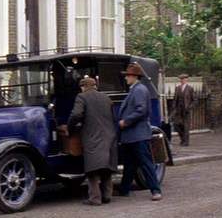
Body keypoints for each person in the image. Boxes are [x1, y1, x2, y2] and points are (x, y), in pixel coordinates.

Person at [67, 77, 118, 206]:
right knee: (106, 167)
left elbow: (76, 115)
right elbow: (113, 117)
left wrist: (70, 127)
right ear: (95, 86)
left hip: (92, 137)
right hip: (109, 135)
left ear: (83, 87)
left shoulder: (82, 97)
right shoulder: (106, 98)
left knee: (93, 169)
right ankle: (107, 195)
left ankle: (95, 198)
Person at [117, 63, 163, 201]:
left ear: (134, 76)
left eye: (127, 76)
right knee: (130, 164)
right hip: (132, 136)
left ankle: (155, 190)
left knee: (146, 163)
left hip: (138, 134)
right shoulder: (134, 89)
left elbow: (141, 110)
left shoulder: (139, 90)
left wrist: (126, 121)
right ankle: (124, 189)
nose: (126, 78)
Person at [173, 74, 194, 146]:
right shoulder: (177, 88)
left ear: (187, 80)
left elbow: (195, 100)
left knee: (186, 127)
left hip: (186, 110)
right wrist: (174, 108)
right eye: (181, 79)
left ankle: (186, 142)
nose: (182, 80)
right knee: (176, 125)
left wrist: (190, 107)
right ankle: (183, 139)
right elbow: (175, 99)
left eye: (184, 79)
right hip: (178, 111)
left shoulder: (190, 88)